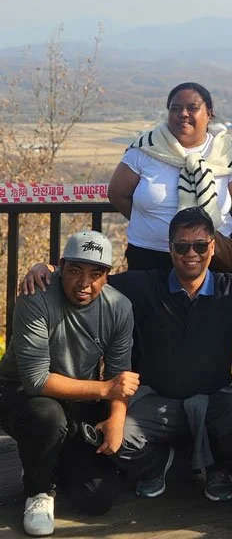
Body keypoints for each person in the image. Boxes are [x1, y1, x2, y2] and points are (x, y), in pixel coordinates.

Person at [22, 207, 232, 505]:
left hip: (215, 402)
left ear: (212, 248)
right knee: (117, 436)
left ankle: (217, 468)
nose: (191, 254)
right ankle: (162, 466)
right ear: (170, 249)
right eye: (182, 247)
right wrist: (48, 270)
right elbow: (92, 281)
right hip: (157, 402)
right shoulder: (144, 286)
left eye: (200, 246)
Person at [0, 230, 138, 537]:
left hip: (77, 397)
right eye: (75, 271)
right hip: (19, 393)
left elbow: (120, 373)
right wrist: (106, 389)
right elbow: (36, 380)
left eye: (95, 274)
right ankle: (38, 491)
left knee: (98, 498)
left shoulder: (119, 307)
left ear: (107, 275)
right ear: (61, 267)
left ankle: (43, 456)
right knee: (47, 417)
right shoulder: (36, 295)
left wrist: (116, 419)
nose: (84, 283)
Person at [108, 81, 232, 273]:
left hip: (210, 256)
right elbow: (117, 193)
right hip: (150, 257)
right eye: (175, 108)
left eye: (192, 108)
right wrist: (149, 220)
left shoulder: (226, 152)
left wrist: (204, 231)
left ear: (208, 114)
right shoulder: (145, 148)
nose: (183, 114)